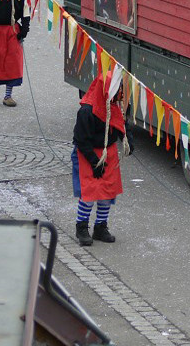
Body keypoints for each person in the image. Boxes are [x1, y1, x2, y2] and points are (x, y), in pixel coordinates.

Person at [72, 68, 130, 247]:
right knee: (89, 194)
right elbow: (81, 140)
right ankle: (82, 227)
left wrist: (128, 140)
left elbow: (119, 123)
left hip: (108, 152)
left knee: (107, 193)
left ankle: (100, 227)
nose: (118, 94)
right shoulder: (87, 112)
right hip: (87, 153)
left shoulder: (112, 106)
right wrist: (93, 161)